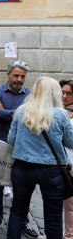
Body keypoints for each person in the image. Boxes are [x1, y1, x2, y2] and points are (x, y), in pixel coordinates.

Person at [7, 77, 73, 239]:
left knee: (18, 211)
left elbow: (11, 140)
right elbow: (70, 142)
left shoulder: (21, 111)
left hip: (23, 167)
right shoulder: (61, 114)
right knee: (53, 216)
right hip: (52, 170)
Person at [0, 60, 38, 238]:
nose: (19, 79)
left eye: (22, 76)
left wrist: (7, 111)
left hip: (22, 146)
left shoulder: (30, 94)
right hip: (1, 143)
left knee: (22, 187)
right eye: (16, 75)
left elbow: (31, 116)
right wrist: (19, 113)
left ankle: (23, 221)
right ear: (8, 74)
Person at [61, 79, 73, 239]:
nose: (64, 96)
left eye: (69, 93)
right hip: (65, 165)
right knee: (68, 204)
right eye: (62, 92)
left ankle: (69, 235)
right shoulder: (62, 112)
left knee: (69, 205)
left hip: (70, 164)